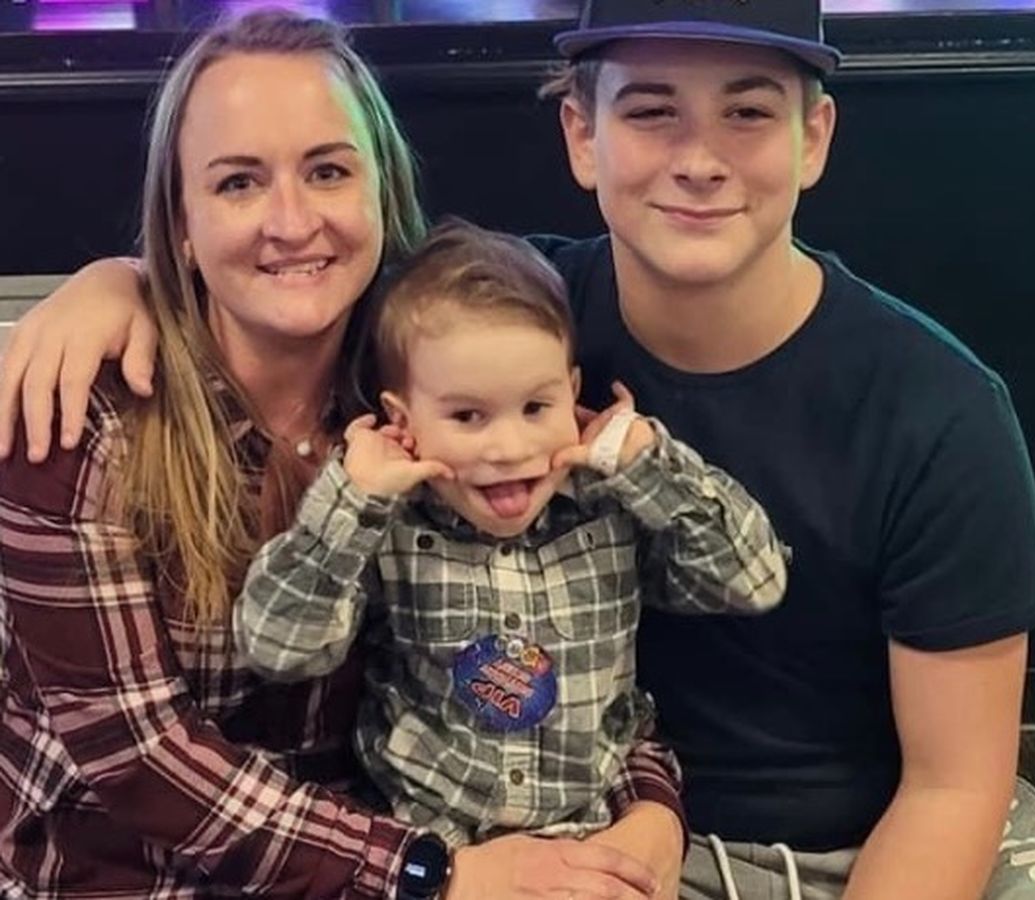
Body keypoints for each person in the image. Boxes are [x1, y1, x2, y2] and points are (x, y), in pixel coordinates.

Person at [0, 1, 1035, 898]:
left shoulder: (936, 411)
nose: (699, 160)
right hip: (426, 843)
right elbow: (140, 755)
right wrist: (113, 284)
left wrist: (650, 810)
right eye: (653, 111)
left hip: (770, 834)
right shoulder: (463, 347)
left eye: (748, 112)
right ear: (582, 134)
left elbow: (950, 787)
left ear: (813, 137)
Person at [0, 11, 691, 900]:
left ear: (383, 192)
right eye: (239, 182)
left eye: (327, 171)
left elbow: (568, 614)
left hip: (380, 852)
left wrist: (650, 805)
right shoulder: (83, 416)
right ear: (181, 223)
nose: (292, 222)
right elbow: (139, 756)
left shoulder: (432, 386)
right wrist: (430, 874)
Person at [234, 218, 787, 850]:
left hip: (590, 838)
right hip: (432, 846)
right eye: (467, 416)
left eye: (536, 408)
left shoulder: (611, 508)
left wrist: (650, 463)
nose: (509, 447)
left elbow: (755, 580)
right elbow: (278, 648)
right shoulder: (387, 526)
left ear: (571, 393)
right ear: (402, 419)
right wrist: (351, 501)